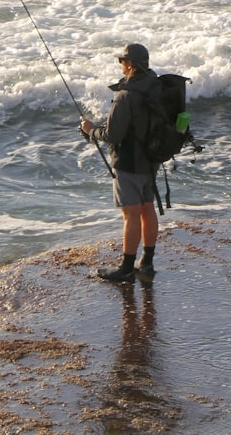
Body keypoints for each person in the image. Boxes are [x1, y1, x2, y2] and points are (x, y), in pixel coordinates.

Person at [80, 43, 161, 282]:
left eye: (123, 61)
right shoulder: (155, 86)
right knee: (147, 207)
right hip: (151, 158)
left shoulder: (125, 95)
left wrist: (91, 131)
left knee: (131, 213)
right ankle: (146, 261)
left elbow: (113, 135)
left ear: (131, 65)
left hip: (129, 161)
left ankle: (126, 267)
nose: (121, 65)